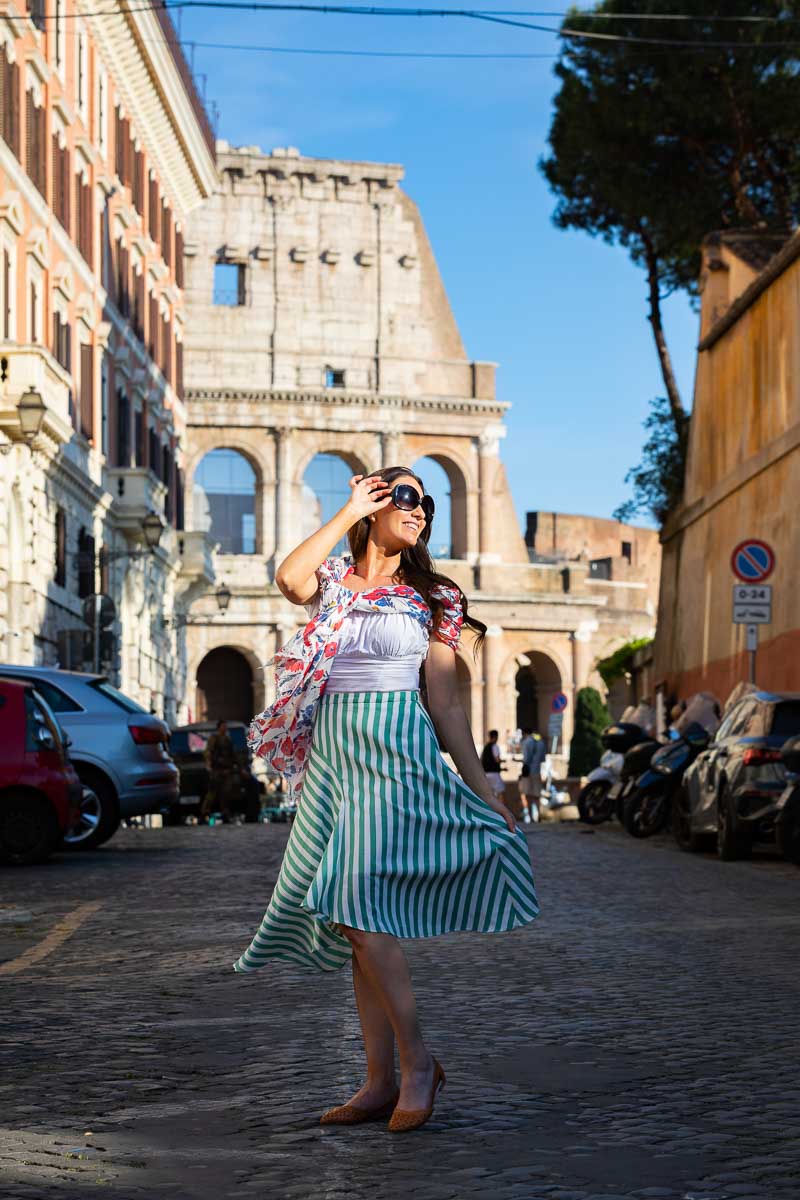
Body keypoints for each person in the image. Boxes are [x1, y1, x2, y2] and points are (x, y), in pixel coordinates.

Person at [234, 467, 539, 1133]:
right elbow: (288, 579)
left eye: (427, 503)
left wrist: (483, 787)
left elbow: (447, 702)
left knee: (358, 905)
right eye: (405, 496)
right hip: (335, 761)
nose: (420, 510)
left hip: (397, 756)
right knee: (354, 925)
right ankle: (377, 1082)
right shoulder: (333, 584)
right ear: (373, 502)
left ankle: (418, 1061)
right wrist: (346, 513)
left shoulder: (435, 596)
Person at [201, 719, 236, 823]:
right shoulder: (214, 738)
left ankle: (225, 814)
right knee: (212, 793)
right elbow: (208, 752)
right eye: (223, 726)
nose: (225, 728)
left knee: (226, 793)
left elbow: (232, 754)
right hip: (217, 770)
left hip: (227, 770)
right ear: (219, 728)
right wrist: (208, 763)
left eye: (226, 726)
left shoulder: (228, 739)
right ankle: (204, 813)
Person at [518, 727, 546, 824]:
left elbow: (526, 759)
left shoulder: (526, 742)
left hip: (528, 772)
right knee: (537, 795)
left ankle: (530, 816)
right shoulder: (541, 742)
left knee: (527, 794)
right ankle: (538, 815)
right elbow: (543, 758)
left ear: (524, 733)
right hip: (537, 770)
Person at [480, 730, 505, 800]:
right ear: (496, 737)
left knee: (490, 795)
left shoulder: (485, 747)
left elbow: (481, 759)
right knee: (500, 793)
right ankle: (501, 810)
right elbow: (497, 759)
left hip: (486, 773)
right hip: (494, 773)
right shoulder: (495, 746)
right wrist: (503, 761)